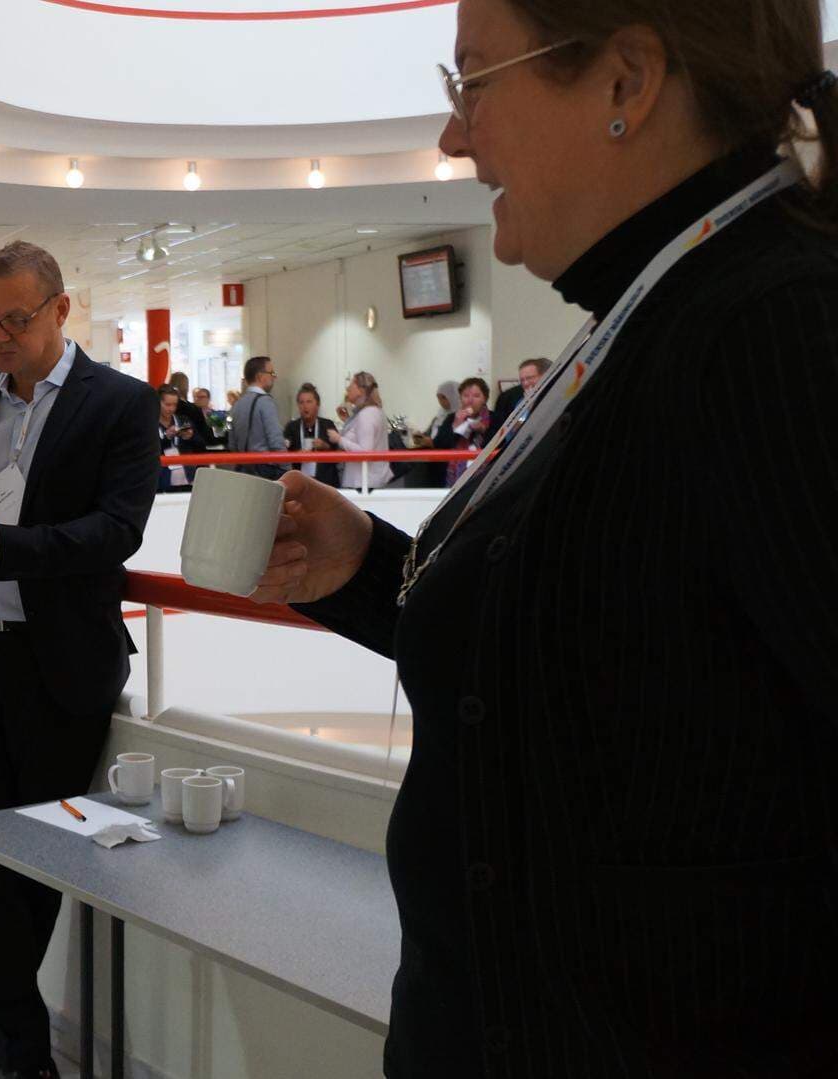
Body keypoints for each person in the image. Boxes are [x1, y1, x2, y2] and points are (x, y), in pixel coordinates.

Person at [257, 1, 838, 1074]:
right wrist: (371, 568)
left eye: (473, 81)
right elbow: (608, 673)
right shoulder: (656, 312)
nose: (453, 135)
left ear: (626, 82)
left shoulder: (775, 332)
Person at [0, 240, 159, 1079]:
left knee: (37, 865)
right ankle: (16, 1049)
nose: (1, 336)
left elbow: (117, 531)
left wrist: (2, 546)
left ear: (60, 309)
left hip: (60, 669)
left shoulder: (119, 403)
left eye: (16, 319)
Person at [325, 371, 391, 490]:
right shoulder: (375, 411)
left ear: (360, 390)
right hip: (371, 480)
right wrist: (348, 421)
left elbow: (365, 451)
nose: (348, 388)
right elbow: (362, 434)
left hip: (363, 483)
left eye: (351, 385)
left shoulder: (366, 415)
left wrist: (339, 439)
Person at [226, 355, 287, 479]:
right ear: (260, 376)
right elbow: (275, 440)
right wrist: (286, 468)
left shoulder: (237, 405)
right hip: (265, 470)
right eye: (271, 373)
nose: (274, 377)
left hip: (243, 470)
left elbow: (232, 443)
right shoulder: (265, 402)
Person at [433, 376, 493, 485]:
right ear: (460, 399)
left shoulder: (495, 418)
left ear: (485, 399)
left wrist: (484, 430)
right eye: (465, 396)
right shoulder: (452, 418)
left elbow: (501, 445)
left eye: (476, 396)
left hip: (485, 477)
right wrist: (455, 426)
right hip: (453, 479)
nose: (470, 400)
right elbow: (438, 445)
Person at [284, 382, 342, 488]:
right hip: (300, 483)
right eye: (301, 402)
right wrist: (296, 455)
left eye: (309, 402)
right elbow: (283, 453)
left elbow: (339, 454)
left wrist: (325, 446)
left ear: (317, 404)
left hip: (325, 483)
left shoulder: (327, 425)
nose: (305, 406)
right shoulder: (292, 427)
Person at [488, 356, 552, 435]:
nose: (525, 383)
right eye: (522, 380)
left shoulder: (553, 396)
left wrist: (534, 406)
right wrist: (528, 407)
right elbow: (513, 430)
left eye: (529, 378)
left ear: (543, 376)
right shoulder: (521, 401)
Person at [157, 385, 201, 492]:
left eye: (174, 405)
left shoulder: (183, 420)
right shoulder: (149, 423)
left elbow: (201, 445)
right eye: (168, 404)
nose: (171, 409)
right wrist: (166, 437)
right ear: (158, 403)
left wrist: (190, 437)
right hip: (161, 477)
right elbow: (146, 449)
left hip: (186, 475)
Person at [192, 386, 225, 450]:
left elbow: (220, 435)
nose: (198, 399)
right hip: (197, 449)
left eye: (202, 397)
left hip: (214, 448)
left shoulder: (215, 415)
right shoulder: (191, 415)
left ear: (208, 398)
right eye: (196, 397)